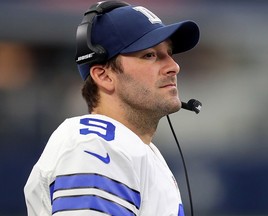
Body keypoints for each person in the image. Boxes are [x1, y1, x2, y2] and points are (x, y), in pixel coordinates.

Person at [24, 1, 200, 215]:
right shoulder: (97, 145)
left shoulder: (132, 148)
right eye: (149, 55)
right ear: (104, 76)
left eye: (170, 53)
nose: (174, 66)